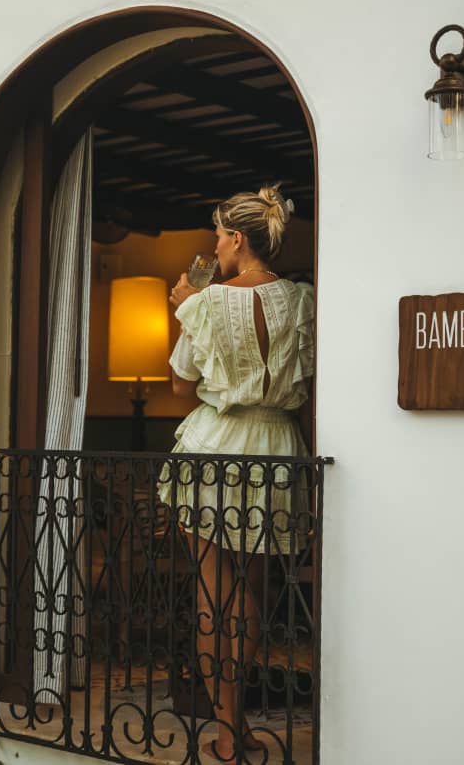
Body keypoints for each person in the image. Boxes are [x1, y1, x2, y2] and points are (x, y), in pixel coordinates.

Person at [161, 185, 314, 763]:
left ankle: (225, 728)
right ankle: (240, 720)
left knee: (212, 593)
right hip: (275, 446)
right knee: (249, 591)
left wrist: (184, 307)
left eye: (218, 237)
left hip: (215, 445)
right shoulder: (302, 300)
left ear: (238, 239)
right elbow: (309, 384)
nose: (215, 247)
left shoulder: (204, 300)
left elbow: (180, 385)